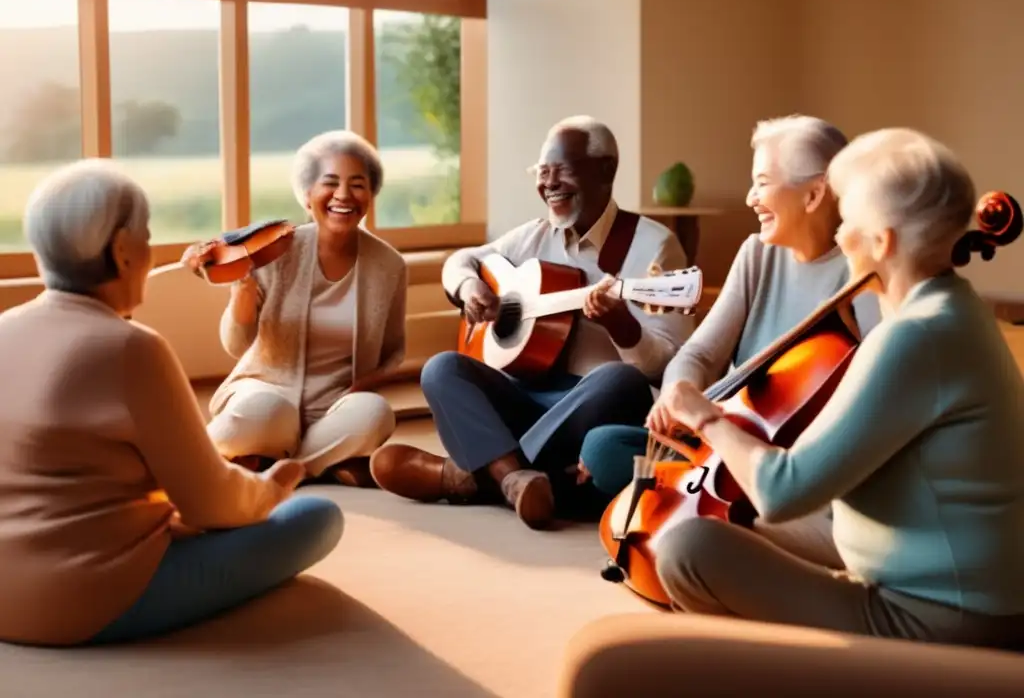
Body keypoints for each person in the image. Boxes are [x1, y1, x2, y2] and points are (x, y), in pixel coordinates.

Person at [651, 128, 1024, 650]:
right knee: (714, 523)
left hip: (939, 618)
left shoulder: (915, 335)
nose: (840, 235)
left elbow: (783, 491)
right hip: (945, 591)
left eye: (848, 218)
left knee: (688, 549)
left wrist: (706, 416)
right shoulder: (956, 311)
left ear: (882, 242)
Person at [0, 159, 343, 647]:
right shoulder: (130, 347)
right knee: (317, 518)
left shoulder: (4, 326)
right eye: (145, 235)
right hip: (81, 603)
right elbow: (210, 506)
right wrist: (271, 489)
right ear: (121, 251)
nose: (148, 248)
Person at [578, 115, 881, 563]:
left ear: (814, 194)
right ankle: (697, 511)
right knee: (603, 446)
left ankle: (682, 513)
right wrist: (680, 390)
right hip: (723, 443)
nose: (750, 198)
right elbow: (700, 353)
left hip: (793, 465)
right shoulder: (757, 253)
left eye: (761, 183)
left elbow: (878, 394)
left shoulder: (864, 275)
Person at [370, 115, 693, 530]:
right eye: (543, 172)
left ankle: (471, 476)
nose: (550, 183)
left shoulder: (653, 245)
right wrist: (470, 288)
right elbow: (460, 261)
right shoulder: (531, 237)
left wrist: (622, 328)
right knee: (442, 368)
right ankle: (525, 481)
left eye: (564, 170)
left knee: (620, 379)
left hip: (590, 409)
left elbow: (669, 366)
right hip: (526, 398)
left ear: (606, 170)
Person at [183, 130, 406, 488]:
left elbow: (392, 351)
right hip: (267, 392)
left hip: (332, 406)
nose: (344, 195)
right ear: (306, 195)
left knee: (376, 414)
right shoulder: (274, 252)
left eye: (358, 184)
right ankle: (322, 463)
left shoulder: (389, 265)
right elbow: (238, 345)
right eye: (329, 182)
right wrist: (242, 287)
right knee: (262, 415)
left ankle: (274, 465)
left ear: (371, 194)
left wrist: (361, 387)